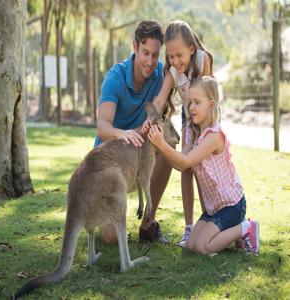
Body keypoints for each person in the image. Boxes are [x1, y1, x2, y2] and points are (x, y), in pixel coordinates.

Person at [147, 76, 260, 255]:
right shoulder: (193, 130)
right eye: (190, 102)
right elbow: (181, 165)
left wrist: (161, 144)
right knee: (192, 246)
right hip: (213, 208)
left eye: (197, 102)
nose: (191, 107)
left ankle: (246, 227)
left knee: (203, 248)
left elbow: (185, 162)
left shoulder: (214, 137)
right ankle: (231, 235)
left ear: (211, 103)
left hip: (231, 205)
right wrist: (160, 146)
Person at [94, 20, 173, 244]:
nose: (150, 62)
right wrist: (123, 134)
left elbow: (184, 66)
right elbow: (103, 127)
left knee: (168, 143)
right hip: (110, 163)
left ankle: (148, 223)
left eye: (155, 55)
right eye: (145, 52)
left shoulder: (160, 73)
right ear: (135, 47)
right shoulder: (115, 78)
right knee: (111, 239)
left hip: (140, 156)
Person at [143, 20, 213, 247]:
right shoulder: (173, 71)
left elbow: (208, 95)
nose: (175, 61)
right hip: (188, 118)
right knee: (185, 165)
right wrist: (150, 117)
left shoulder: (203, 60)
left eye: (179, 55)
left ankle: (209, 220)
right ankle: (189, 227)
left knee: (203, 166)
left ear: (191, 49)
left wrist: (202, 128)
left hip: (208, 116)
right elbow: (161, 97)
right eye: (171, 56)